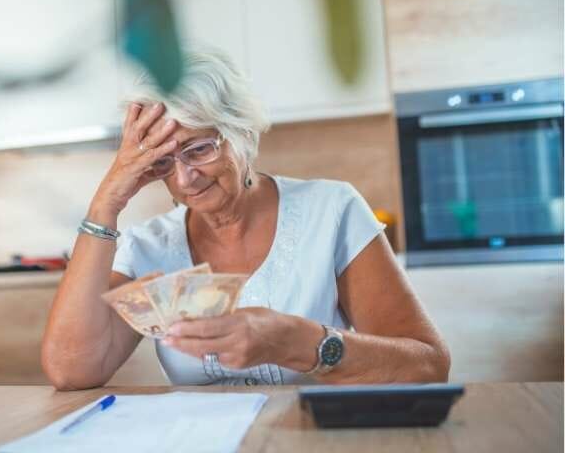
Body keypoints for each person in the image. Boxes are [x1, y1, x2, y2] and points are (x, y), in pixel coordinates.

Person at [41, 49, 450, 389]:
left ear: (243, 133)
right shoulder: (148, 248)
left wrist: (301, 342)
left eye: (199, 149)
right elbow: (71, 369)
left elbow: (427, 365)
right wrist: (104, 206)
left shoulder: (331, 211)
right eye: (164, 161)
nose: (185, 178)